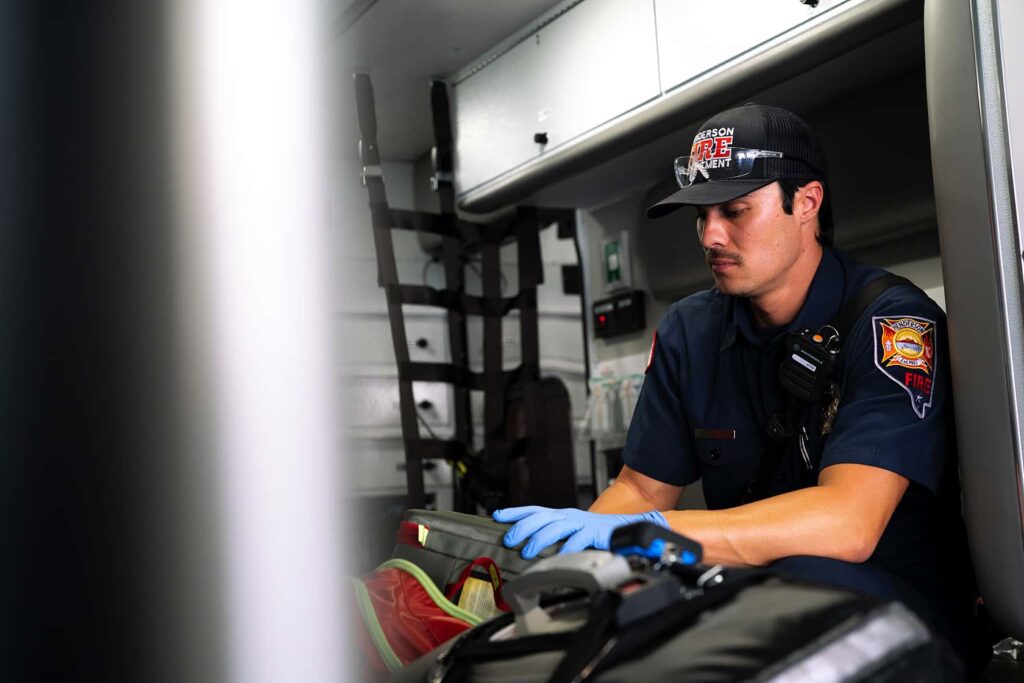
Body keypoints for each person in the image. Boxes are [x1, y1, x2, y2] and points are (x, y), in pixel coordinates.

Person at [493, 103, 983, 674]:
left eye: (734, 211)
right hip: (762, 606)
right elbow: (642, 491)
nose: (710, 235)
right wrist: (585, 568)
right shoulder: (689, 330)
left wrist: (647, 535)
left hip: (904, 624)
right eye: (701, 216)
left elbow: (848, 523)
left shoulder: (891, 325)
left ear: (806, 203)